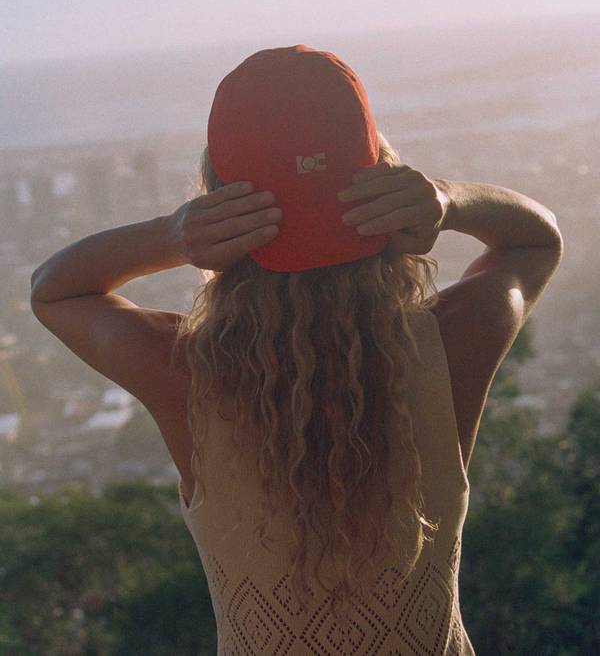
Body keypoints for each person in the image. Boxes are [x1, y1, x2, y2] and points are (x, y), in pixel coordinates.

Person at [30, 44, 563, 655]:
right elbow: (535, 242)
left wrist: (172, 236)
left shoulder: (183, 373)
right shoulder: (450, 344)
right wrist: (446, 199)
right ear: (383, 183)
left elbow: (56, 291)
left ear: (217, 204)